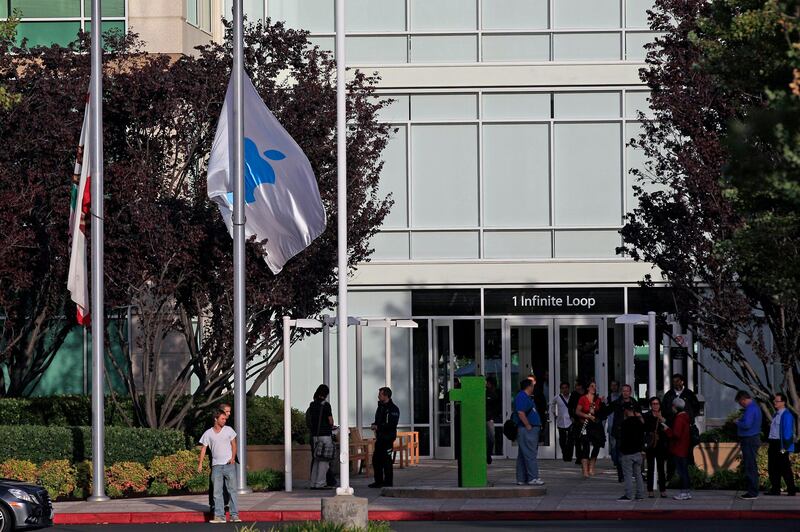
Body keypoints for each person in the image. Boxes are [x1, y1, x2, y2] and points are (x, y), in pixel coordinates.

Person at [198, 409, 240, 524]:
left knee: (232, 491)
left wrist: (232, 458)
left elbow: (234, 445)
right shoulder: (208, 433)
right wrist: (200, 464)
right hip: (216, 467)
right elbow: (203, 449)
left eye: (225, 419)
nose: (225, 420)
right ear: (215, 419)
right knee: (217, 493)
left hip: (228, 465)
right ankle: (219, 516)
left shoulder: (229, 430)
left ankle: (234, 515)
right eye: (222, 418)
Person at [607, 384, 641, 483]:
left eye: (627, 391)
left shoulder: (634, 403)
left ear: (630, 392)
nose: (625, 393)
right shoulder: (617, 403)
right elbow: (607, 411)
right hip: (619, 431)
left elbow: (639, 416)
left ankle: (630, 473)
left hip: (631, 432)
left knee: (630, 454)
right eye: (624, 391)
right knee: (619, 454)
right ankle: (621, 474)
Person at [514, 378, 544, 486]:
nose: (533, 387)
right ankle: (533, 477)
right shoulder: (522, 396)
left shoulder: (525, 397)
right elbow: (521, 412)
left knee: (523, 454)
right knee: (530, 454)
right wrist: (528, 425)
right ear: (529, 386)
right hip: (527, 430)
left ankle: (521, 478)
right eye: (532, 385)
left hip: (528, 429)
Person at [369, 387, 400, 488]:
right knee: (376, 460)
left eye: (380, 394)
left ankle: (388, 482)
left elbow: (391, 424)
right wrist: (375, 425)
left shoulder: (393, 409)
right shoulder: (380, 407)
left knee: (386, 460)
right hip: (380, 438)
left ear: (386, 395)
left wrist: (378, 426)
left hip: (388, 438)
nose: (378, 396)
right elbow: (378, 420)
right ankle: (378, 481)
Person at [767, 393, 797, 496]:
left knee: (785, 468)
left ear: (783, 402)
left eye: (777, 401)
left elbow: (788, 435)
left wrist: (784, 449)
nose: (774, 402)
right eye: (774, 401)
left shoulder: (787, 415)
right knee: (772, 467)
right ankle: (775, 489)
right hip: (773, 443)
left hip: (781, 445)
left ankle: (791, 490)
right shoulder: (776, 414)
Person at [574, 381, 605, 479]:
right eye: (592, 386)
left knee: (597, 445)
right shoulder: (583, 398)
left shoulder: (598, 399)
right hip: (585, 424)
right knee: (585, 445)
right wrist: (587, 415)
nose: (594, 388)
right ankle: (585, 469)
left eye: (595, 386)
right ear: (587, 388)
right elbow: (577, 411)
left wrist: (602, 405)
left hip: (596, 426)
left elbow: (601, 413)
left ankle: (591, 466)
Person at [735, 390, 763, 500]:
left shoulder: (750, 409)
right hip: (752, 438)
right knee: (751, 465)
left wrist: (737, 422)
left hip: (749, 439)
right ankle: (752, 490)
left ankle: (752, 492)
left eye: (740, 402)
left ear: (743, 399)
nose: (740, 404)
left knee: (750, 466)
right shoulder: (754, 407)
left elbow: (746, 424)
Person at [307, 384, 334, 489]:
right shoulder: (326, 405)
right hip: (325, 435)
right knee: (324, 461)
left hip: (315, 436)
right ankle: (320, 483)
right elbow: (330, 421)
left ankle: (313, 483)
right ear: (326, 394)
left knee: (316, 459)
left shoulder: (312, 405)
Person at [664, 397, 691, 500]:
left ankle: (683, 492)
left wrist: (667, 430)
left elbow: (676, 434)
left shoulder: (679, 418)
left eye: (673, 406)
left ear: (675, 407)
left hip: (679, 448)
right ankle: (687, 491)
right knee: (684, 470)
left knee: (681, 471)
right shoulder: (685, 417)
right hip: (684, 447)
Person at [208, 403, 232, 514]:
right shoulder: (214, 425)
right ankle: (213, 505)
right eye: (227, 412)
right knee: (215, 484)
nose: (229, 414)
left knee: (227, 483)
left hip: (227, 459)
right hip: (216, 460)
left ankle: (225, 503)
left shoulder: (227, 425)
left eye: (229, 412)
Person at [618, 406, 645, 501]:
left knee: (628, 475)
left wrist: (621, 450)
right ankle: (640, 494)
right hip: (638, 452)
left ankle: (629, 495)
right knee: (638, 474)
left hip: (628, 453)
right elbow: (642, 436)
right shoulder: (639, 422)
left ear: (626, 411)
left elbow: (622, 438)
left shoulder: (625, 423)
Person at [643, 396, 669, 498]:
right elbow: (644, 429)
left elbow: (668, 426)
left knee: (661, 468)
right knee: (650, 468)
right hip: (651, 443)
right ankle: (650, 490)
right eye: (653, 404)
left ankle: (662, 489)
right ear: (650, 405)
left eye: (657, 403)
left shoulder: (663, 414)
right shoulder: (647, 415)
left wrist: (662, 419)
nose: (655, 406)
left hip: (661, 444)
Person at [551, 381, 574, 462]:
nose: (564, 390)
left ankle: (569, 456)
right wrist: (554, 412)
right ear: (560, 389)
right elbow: (552, 404)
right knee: (562, 440)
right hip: (561, 421)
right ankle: (565, 453)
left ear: (569, 388)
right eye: (562, 388)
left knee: (571, 440)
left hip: (571, 421)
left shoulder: (572, 397)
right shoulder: (557, 397)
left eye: (566, 388)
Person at [606, 381, 622, 478]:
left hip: (619, 424)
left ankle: (618, 462)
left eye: (615, 385)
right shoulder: (609, 397)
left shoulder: (621, 397)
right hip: (611, 424)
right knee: (613, 445)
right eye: (612, 385)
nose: (614, 387)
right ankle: (615, 461)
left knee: (618, 445)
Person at [485, 376, 502, 464]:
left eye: (488, 383)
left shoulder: (497, 393)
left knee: (493, 437)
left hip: (492, 418)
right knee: (490, 437)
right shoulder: (485, 392)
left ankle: (493, 453)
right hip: (488, 418)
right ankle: (488, 454)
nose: (486, 384)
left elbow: (498, 405)